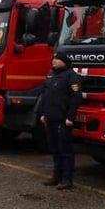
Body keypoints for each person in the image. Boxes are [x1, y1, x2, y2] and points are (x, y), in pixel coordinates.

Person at [37, 52, 82, 190]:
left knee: (65, 150)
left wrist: (70, 117)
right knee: (55, 149)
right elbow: (45, 96)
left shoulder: (71, 76)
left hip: (63, 120)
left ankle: (67, 179)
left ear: (65, 61)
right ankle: (56, 176)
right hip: (50, 118)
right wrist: (43, 113)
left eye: (57, 59)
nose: (54, 61)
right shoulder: (51, 75)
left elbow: (75, 98)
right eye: (54, 59)